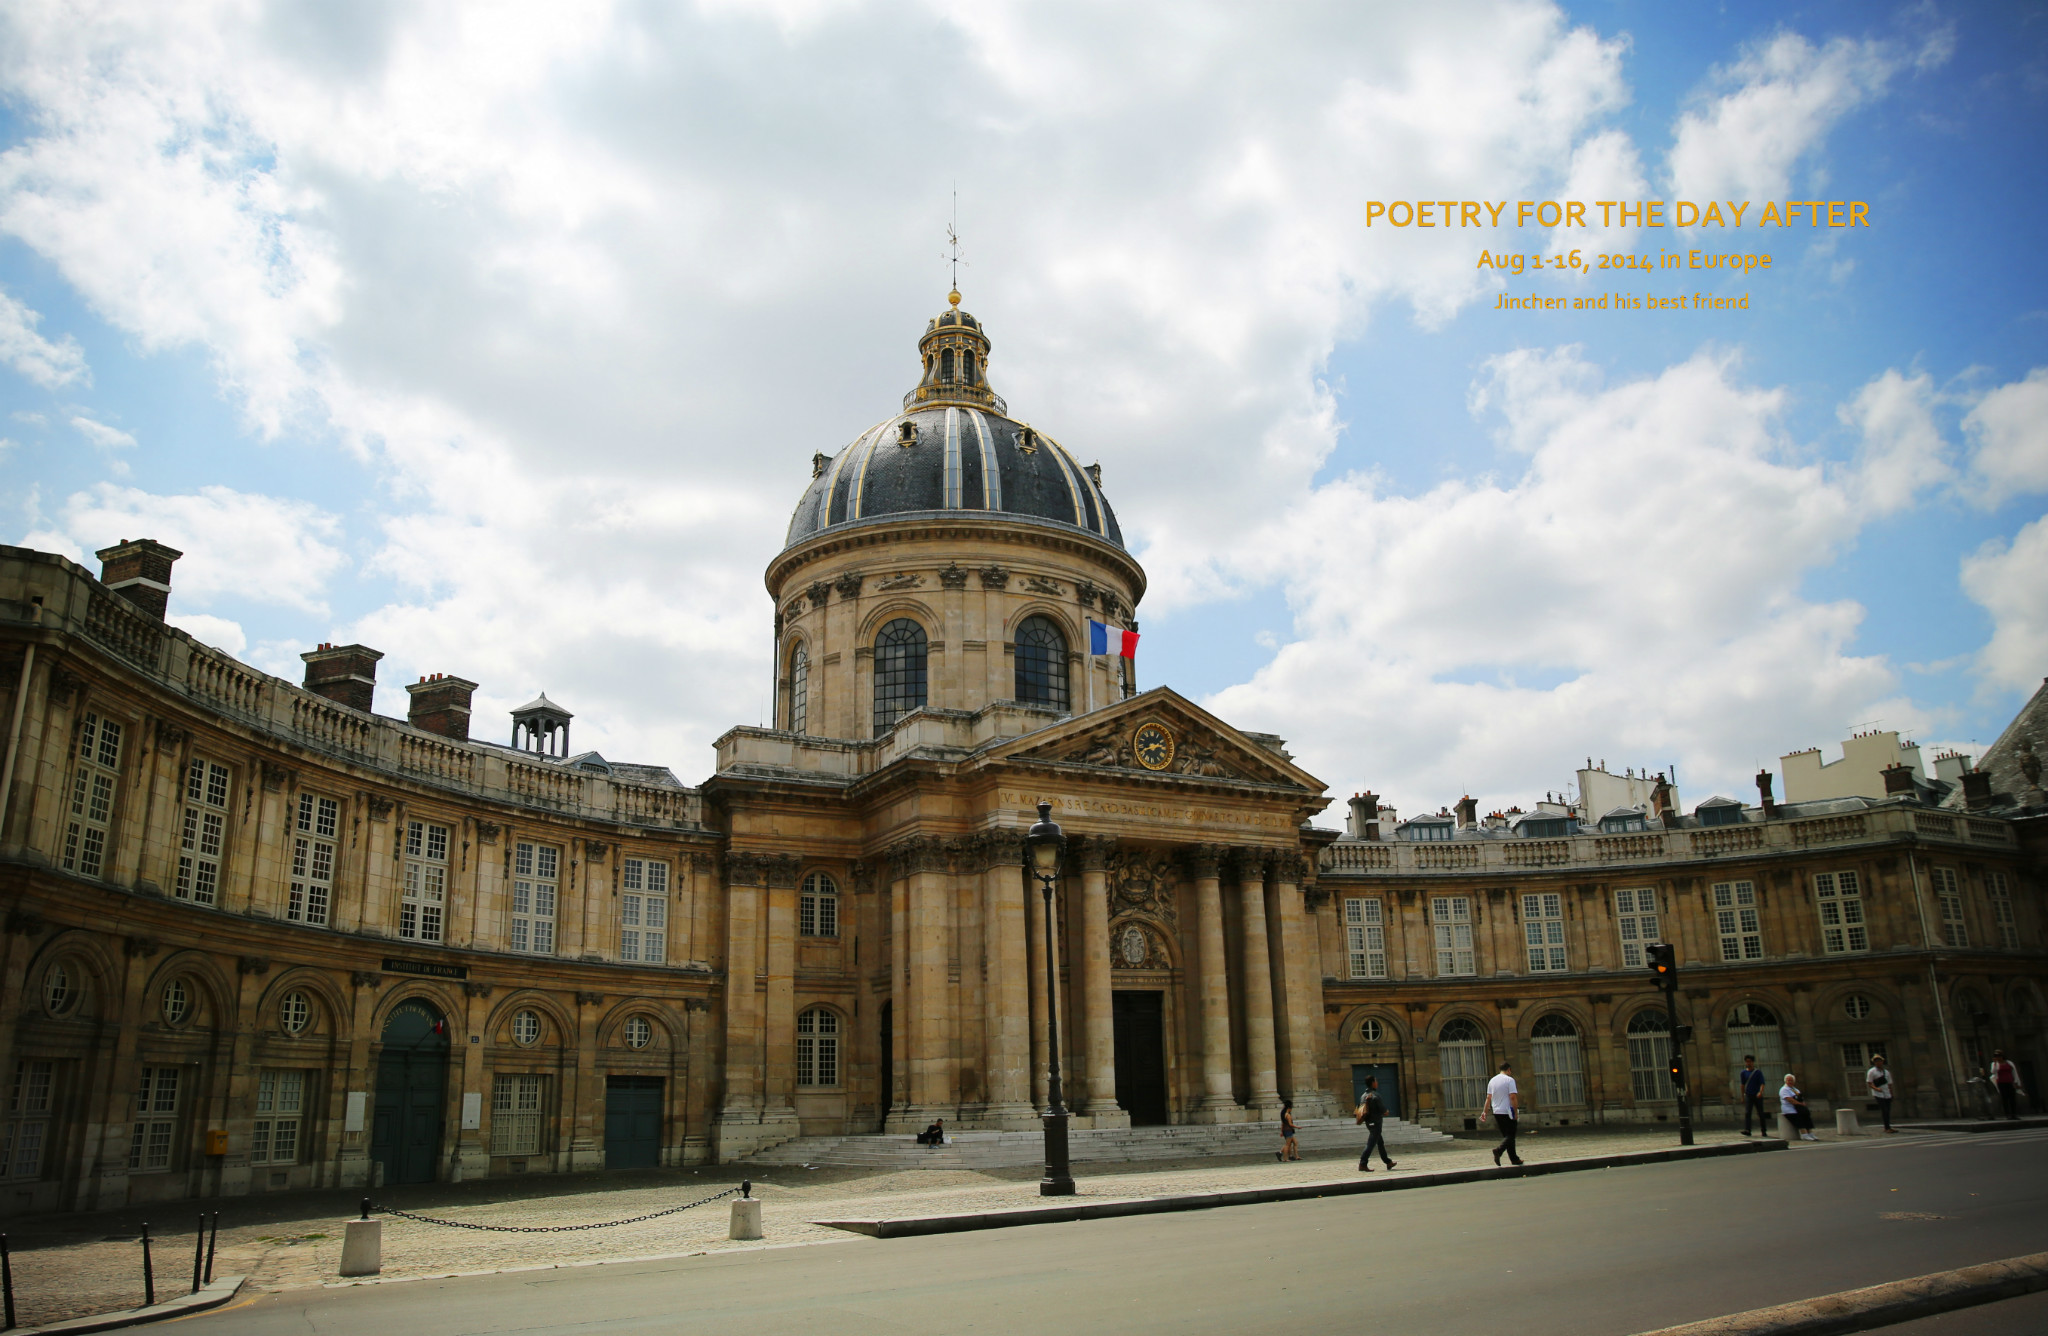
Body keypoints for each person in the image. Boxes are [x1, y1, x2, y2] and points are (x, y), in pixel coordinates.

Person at [1483, 1060, 1522, 1166]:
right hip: (1507, 1111)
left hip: (1497, 1111)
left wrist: (1485, 1112)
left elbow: (1488, 1098)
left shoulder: (1492, 1081)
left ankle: (1514, 1159)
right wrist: (1515, 1112)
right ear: (1509, 1069)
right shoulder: (1509, 1080)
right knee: (1511, 1135)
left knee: (1507, 1136)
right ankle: (1499, 1150)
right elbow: (1513, 1097)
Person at [1355, 1077, 1396, 1172]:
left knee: (1380, 1142)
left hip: (1368, 1123)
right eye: (1376, 1081)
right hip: (1376, 1123)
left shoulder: (1363, 1096)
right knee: (1371, 1144)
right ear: (1373, 1083)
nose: (1377, 1083)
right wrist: (1386, 1112)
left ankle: (1388, 1162)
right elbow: (1384, 1111)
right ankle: (1363, 1163)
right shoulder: (1375, 1095)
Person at [1737, 1055, 1768, 1136]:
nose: (1748, 1063)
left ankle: (1763, 1130)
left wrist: (1760, 1092)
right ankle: (1748, 1130)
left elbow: (1762, 1083)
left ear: (1753, 1062)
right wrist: (1742, 1096)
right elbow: (1742, 1085)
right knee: (1748, 1113)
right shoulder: (1743, 1073)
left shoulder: (1758, 1072)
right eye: (1747, 1061)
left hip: (1757, 1095)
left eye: (1750, 1061)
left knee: (1760, 1113)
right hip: (1748, 1095)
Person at [1780, 1073, 1816, 1140]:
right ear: (1785, 1081)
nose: (1790, 1082)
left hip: (1798, 1108)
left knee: (1806, 1117)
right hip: (1790, 1109)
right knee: (1799, 1118)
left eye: (1791, 1080)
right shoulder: (1784, 1089)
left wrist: (1802, 1104)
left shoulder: (1795, 1089)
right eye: (1788, 1080)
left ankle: (1810, 1133)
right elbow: (1789, 1099)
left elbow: (1801, 1098)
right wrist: (1800, 1104)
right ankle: (1804, 1134)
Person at [1866, 1053, 1896, 1133]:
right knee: (1884, 1110)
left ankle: (1888, 1126)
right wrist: (1876, 1089)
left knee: (1888, 1110)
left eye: (1879, 1061)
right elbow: (1869, 1083)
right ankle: (1887, 1127)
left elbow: (1889, 1084)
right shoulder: (1872, 1071)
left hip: (1887, 1093)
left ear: (1882, 1062)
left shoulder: (1886, 1072)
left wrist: (1891, 1093)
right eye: (1876, 1061)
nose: (1878, 1062)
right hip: (1878, 1094)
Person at [1991, 1050, 2025, 1120]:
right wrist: (1995, 1063)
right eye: (1996, 1056)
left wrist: (2016, 1082)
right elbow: (1993, 1071)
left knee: (2012, 1098)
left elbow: (2014, 1072)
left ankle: (2014, 1114)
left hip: (2010, 1082)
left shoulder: (2009, 1063)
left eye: (1999, 1056)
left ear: (2002, 1056)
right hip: (2001, 1082)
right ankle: (2008, 1114)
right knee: (2005, 1098)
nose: (1998, 1057)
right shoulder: (1995, 1064)